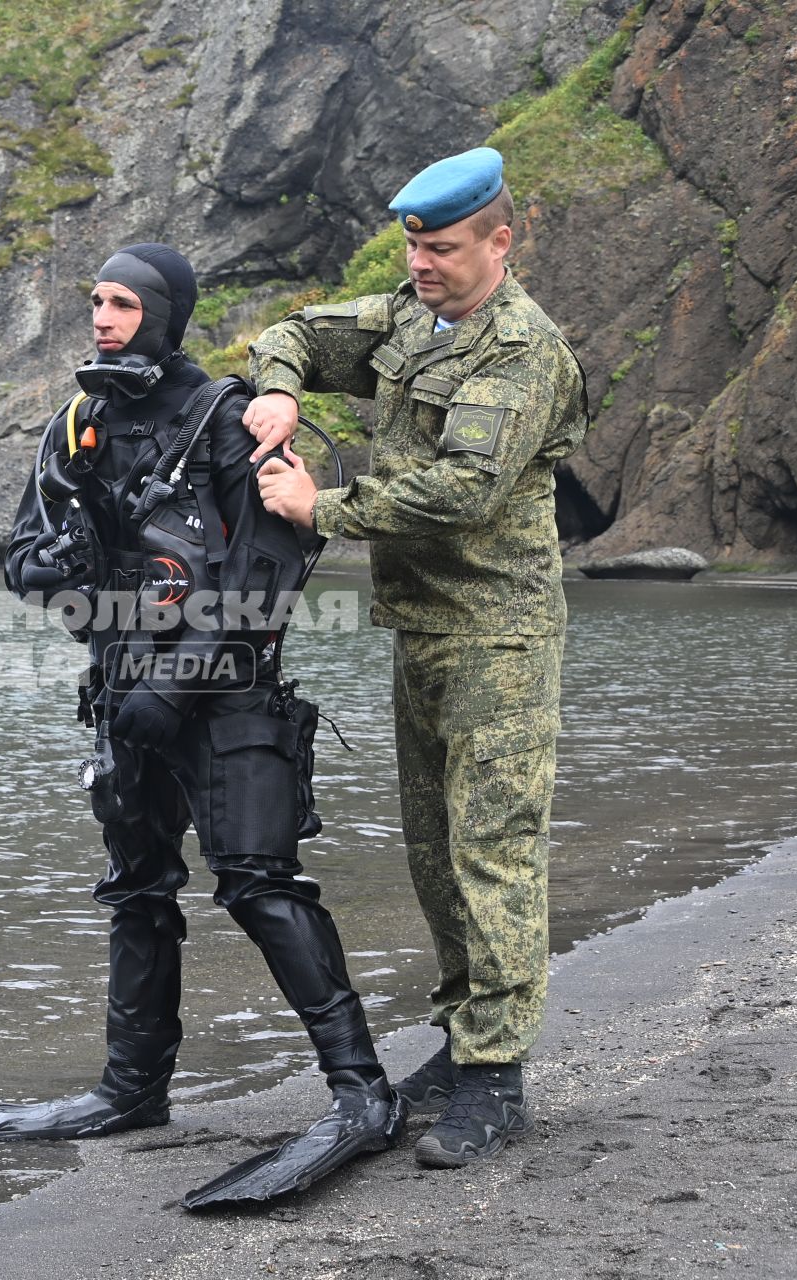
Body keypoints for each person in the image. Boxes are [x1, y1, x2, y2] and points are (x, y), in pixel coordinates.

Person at [0, 243, 405, 1209]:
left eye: (123, 303)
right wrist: (57, 570)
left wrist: (174, 685)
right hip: (119, 693)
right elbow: (18, 556)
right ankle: (133, 1090)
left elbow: (263, 581)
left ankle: (361, 1091)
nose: (101, 317)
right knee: (137, 887)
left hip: (226, 699)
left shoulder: (227, 422)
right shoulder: (79, 422)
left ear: (165, 315)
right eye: (94, 300)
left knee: (260, 886)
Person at [243, 147, 588, 1169]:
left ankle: (499, 1077)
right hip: (423, 628)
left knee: (494, 852)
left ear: (498, 240)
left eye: (441, 247)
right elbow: (296, 329)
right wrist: (280, 392)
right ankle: (460, 1038)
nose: (421, 263)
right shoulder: (408, 315)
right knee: (434, 853)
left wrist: (322, 507)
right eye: (412, 244)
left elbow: (463, 489)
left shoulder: (523, 352)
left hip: (501, 635)